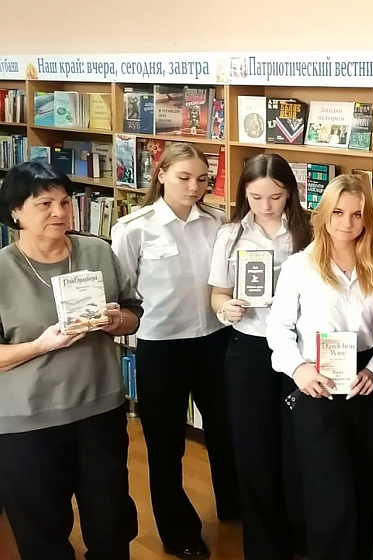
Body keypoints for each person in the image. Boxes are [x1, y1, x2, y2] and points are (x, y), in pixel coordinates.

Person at [0, 161, 141, 560]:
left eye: (64, 202)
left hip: (99, 408)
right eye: (44, 204)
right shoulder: (2, 270)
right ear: (15, 212)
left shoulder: (97, 251)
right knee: (42, 528)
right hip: (28, 421)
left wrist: (116, 321)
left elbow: (133, 313)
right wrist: (41, 345)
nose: (59, 212)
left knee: (111, 519)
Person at [111, 143, 239, 560]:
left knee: (226, 432)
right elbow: (123, 291)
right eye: (184, 177)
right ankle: (177, 531)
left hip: (214, 341)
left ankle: (235, 505)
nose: (194, 187)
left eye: (202, 179)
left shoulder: (218, 223)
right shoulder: (134, 228)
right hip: (161, 347)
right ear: (161, 174)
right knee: (166, 445)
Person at [266, 174, 373, 560]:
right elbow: (278, 329)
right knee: (331, 491)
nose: (347, 223)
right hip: (317, 380)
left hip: (367, 380)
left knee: (365, 484)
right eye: (338, 213)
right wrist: (299, 370)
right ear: (324, 215)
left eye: (356, 214)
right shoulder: (300, 266)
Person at [208, 154, 312, 560]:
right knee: (253, 447)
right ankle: (264, 545)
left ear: (290, 193)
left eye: (276, 196)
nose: (266, 206)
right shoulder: (230, 235)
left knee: (296, 444)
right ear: (244, 194)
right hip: (249, 348)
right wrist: (226, 308)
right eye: (256, 197)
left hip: (297, 351)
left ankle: (300, 536)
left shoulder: (308, 232)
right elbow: (217, 293)